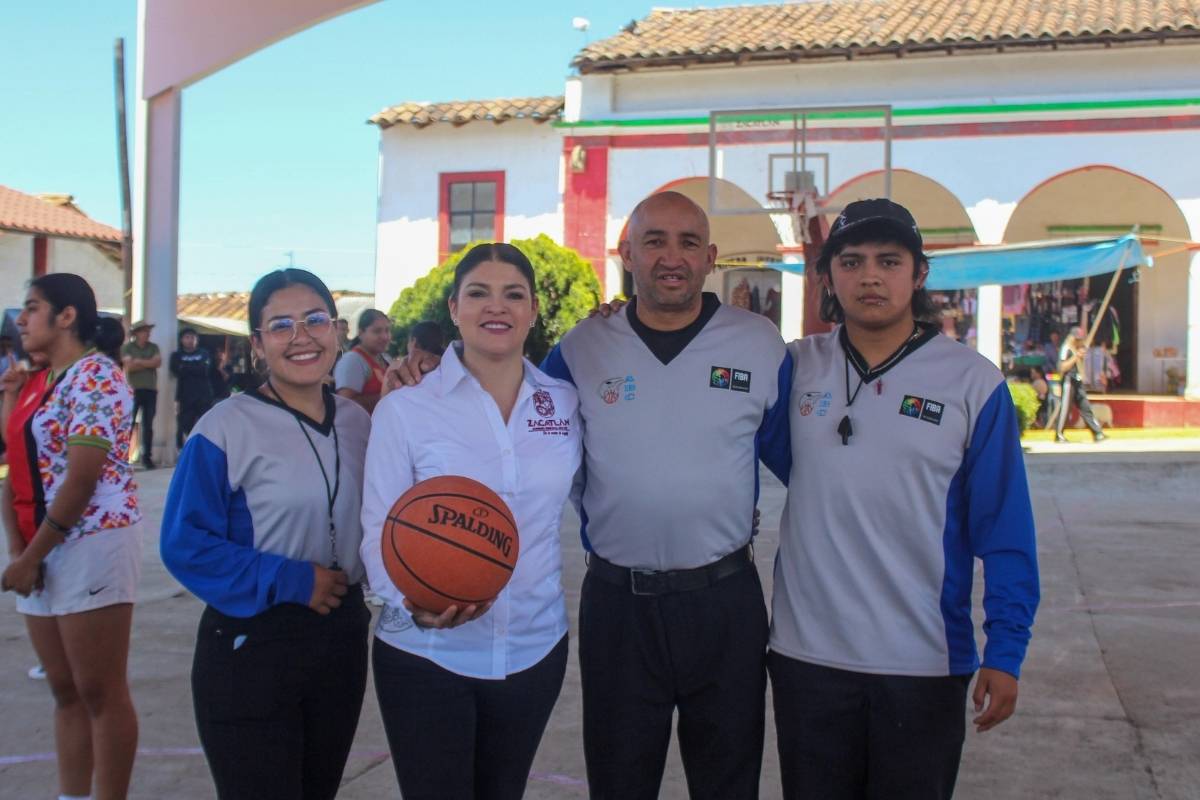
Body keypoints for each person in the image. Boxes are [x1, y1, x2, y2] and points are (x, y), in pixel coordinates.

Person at [762, 199, 1040, 800]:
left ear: (918, 274)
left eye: (889, 261)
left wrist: (1007, 650)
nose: (869, 276)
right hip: (806, 658)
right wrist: (624, 321)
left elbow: (1006, 531)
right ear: (828, 275)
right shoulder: (791, 368)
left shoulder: (973, 383)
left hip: (923, 663)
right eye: (851, 260)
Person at [544, 192, 788, 799]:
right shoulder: (579, 349)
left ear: (710, 258)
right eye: (654, 240)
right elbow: (518, 431)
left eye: (686, 243)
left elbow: (812, 460)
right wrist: (435, 376)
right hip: (618, 605)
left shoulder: (759, 344)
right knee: (620, 782)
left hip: (724, 602)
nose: (670, 257)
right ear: (626, 253)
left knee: (727, 782)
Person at [360, 243, 580, 800]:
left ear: (533, 310)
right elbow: (378, 529)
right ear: (454, 308)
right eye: (478, 293)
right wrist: (416, 601)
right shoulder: (407, 407)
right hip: (426, 656)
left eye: (514, 294)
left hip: (534, 647)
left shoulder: (565, 404)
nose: (496, 307)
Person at [159, 269, 372, 800]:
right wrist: (294, 580)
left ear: (338, 330)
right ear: (257, 343)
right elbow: (185, 543)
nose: (302, 336)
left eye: (315, 320)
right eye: (281, 326)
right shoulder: (224, 427)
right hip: (253, 643)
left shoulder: (359, 421)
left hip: (341, 636)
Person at [1, 273, 142, 800]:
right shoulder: (43, 379)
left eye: (32, 307)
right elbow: (19, 461)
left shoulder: (96, 377)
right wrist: (21, 550)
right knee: (64, 689)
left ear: (67, 316)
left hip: (91, 540)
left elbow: (81, 478)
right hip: (41, 547)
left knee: (99, 690)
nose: (21, 319)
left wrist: (29, 555)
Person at [1055, 326, 1106, 443]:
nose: (1079, 341)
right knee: (1065, 408)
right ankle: (1059, 434)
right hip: (1069, 380)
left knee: (1085, 406)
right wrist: (1076, 356)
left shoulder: (1076, 348)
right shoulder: (1066, 348)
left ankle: (1097, 432)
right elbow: (1062, 367)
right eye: (1077, 339)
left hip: (1077, 380)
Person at [334, 309, 391, 412]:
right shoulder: (352, 360)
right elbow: (345, 406)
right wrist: (389, 396)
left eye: (387, 330)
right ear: (361, 333)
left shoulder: (386, 359)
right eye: (377, 331)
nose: (385, 337)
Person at [121, 320, 161, 468]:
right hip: (133, 390)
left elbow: (157, 362)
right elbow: (129, 367)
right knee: (128, 424)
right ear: (137, 333)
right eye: (144, 330)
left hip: (150, 389)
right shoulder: (128, 348)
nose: (148, 333)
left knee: (148, 425)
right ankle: (124, 455)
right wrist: (147, 362)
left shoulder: (154, 347)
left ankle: (147, 457)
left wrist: (138, 361)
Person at [169, 327, 216, 450]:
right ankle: (188, 448)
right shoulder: (177, 355)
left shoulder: (204, 353)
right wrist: (194, 367)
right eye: (187, 337)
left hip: (204, 395)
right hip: (185, 396)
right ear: (182, 340)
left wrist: (186, 368)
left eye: (192, 337)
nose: (190, 340)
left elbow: (204, 370)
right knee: (185, 424)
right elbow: (176, 370)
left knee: (207, 423)